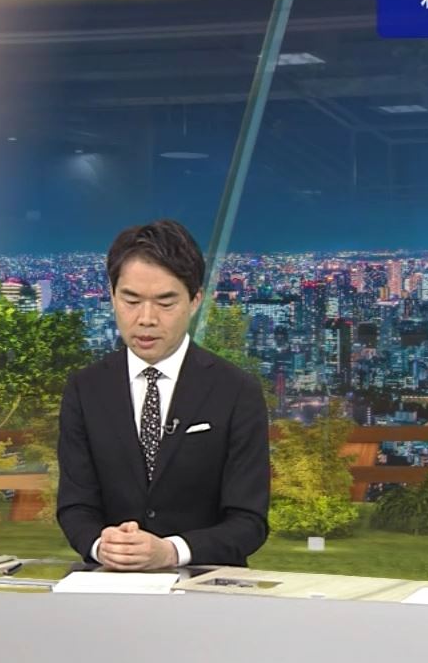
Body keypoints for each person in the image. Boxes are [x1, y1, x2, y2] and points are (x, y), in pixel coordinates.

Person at [56, 220, 270, 570]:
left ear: (195, 300)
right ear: (112, 296)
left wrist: (171, 551)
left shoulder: (236, 391)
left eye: (165, 303)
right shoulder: (85, 388)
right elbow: (75, 505)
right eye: (131, 300)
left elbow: (249, 521)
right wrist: (101, 545)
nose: (146, 319)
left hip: (205, 587)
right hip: (109, 586)